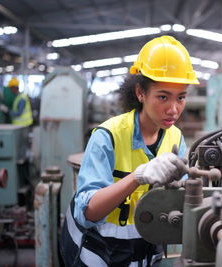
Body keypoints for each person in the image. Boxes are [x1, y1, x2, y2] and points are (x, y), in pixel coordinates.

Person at [60, 35, 199, 267]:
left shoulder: (175, 137)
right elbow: (88, 213)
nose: (174, 109)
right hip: (99, 251)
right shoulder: (108, 136)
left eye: (181, 98)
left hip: (146, 250)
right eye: (163, 97)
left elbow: (179, 201)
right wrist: (137, 177)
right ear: (140, 93)